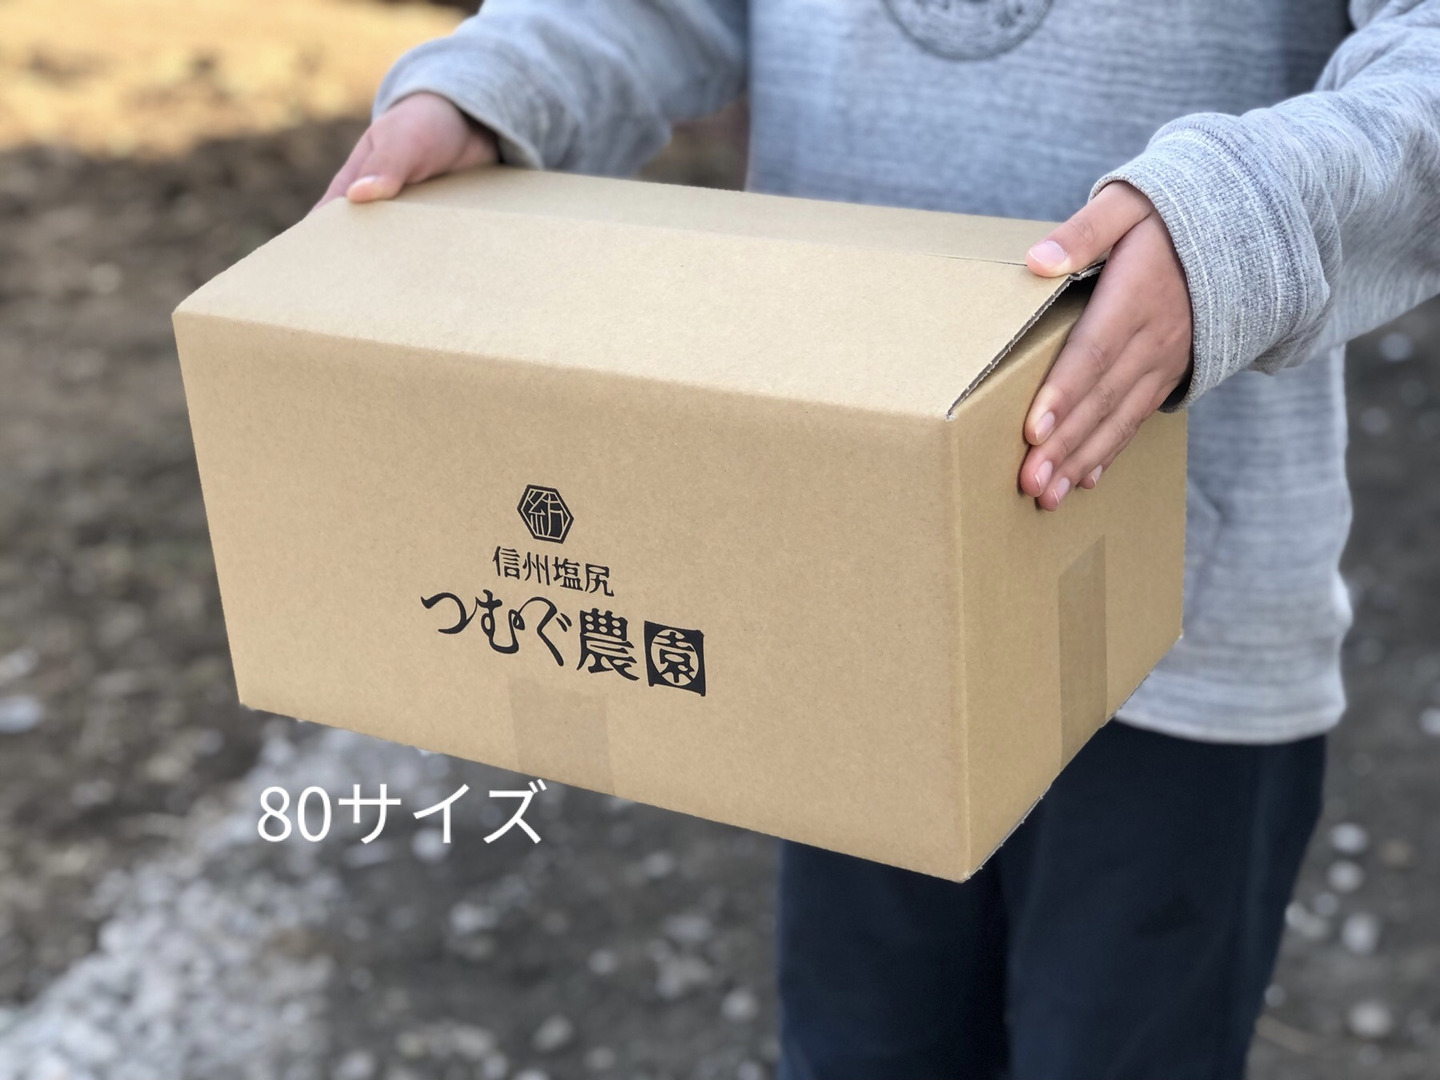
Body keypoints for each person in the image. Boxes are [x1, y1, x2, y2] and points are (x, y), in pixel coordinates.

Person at [319, 3, 1440, 1076]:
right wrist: (491, 92)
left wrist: (1239, 218)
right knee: (861, 1048)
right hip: (839, 589)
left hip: (1178, 625)